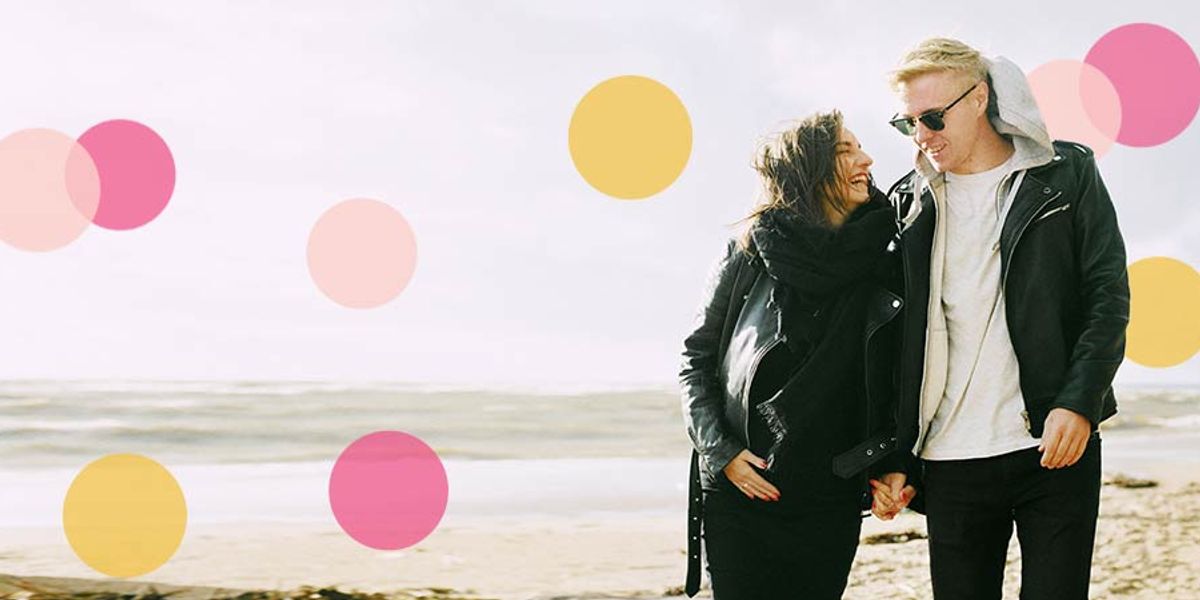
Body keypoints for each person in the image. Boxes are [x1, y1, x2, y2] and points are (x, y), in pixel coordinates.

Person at [871, 38, 1130, 600]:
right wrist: (896, 456)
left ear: (980, 97)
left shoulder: (1066, 176)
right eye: (907, 123)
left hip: (1052, 444)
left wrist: (1077, 402)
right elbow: (890, 344)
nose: (922, 135)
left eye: (933, 117)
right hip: (949, 459)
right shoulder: (906, 205)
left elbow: (1107, 298)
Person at [679, 110, 909, 599]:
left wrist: (893, 462)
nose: (867, 160)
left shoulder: (888, 257)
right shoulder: (747, 253)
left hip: (830, 492)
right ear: (807, 170)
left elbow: (899, 373)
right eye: (846, 151)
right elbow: (696, 358)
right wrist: (722, 454)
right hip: (740, 487)